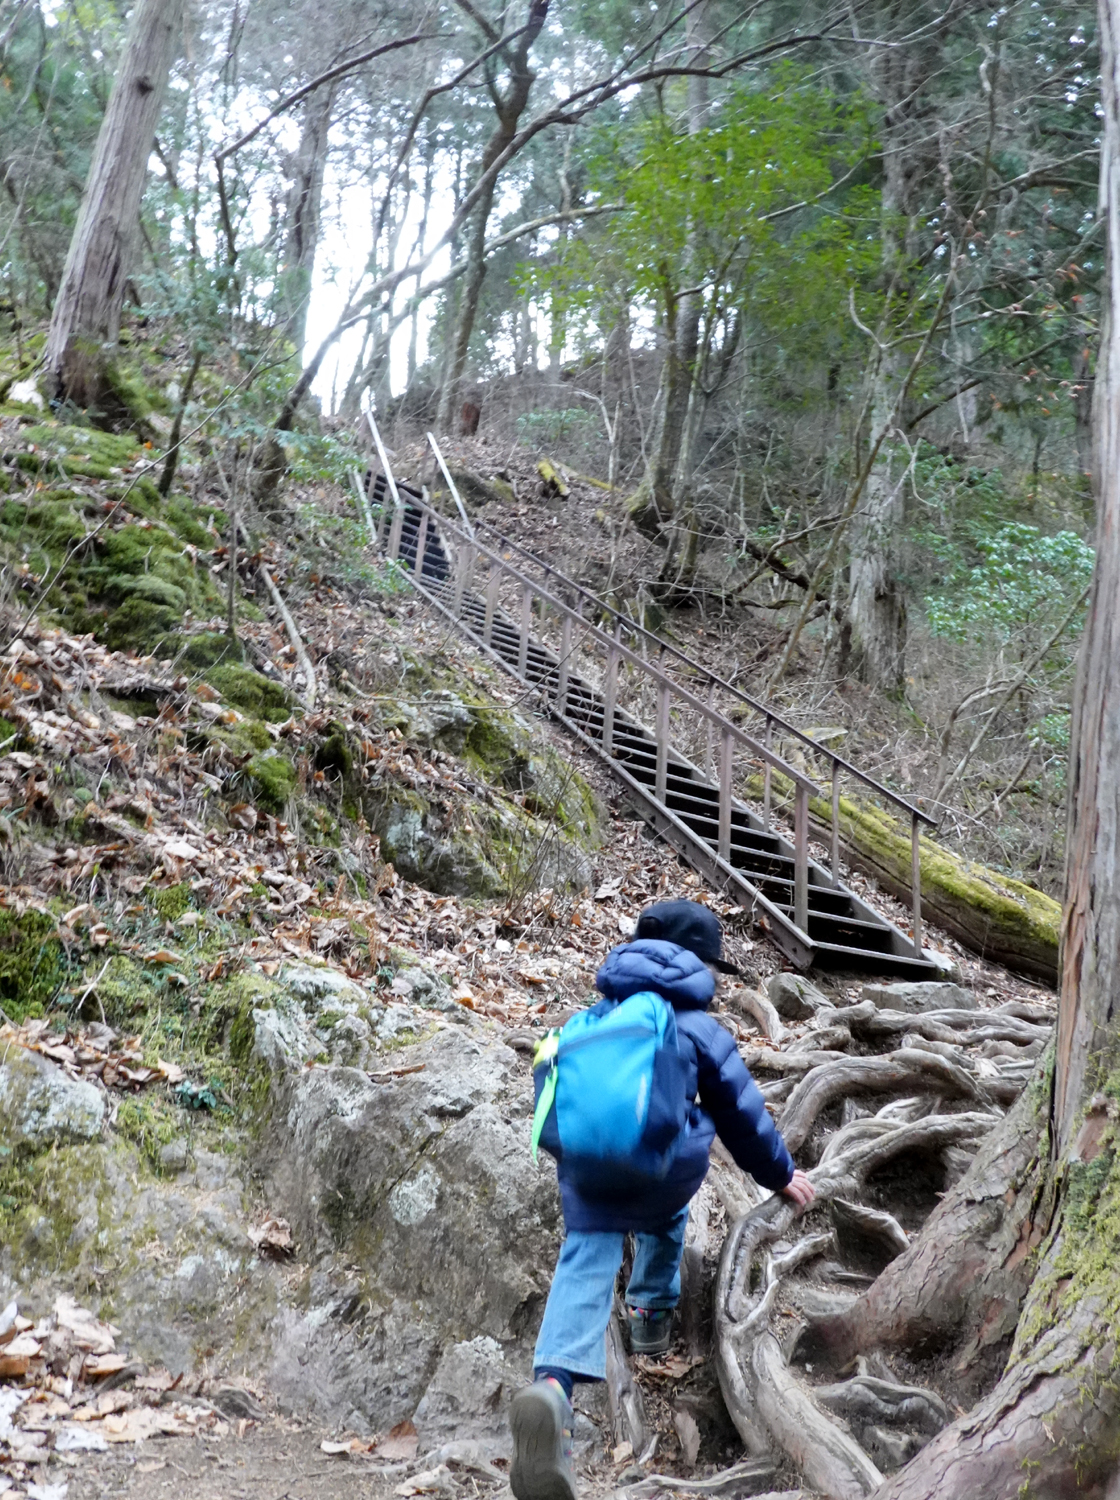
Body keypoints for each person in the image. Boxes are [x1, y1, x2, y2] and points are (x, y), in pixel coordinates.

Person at [509, 899, 815, 1500]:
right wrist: (780, 1173)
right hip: (661, 1176)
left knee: (586, 1259)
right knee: (670, 1210)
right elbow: (741, 1113)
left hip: (588, 1174)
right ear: (698, 963)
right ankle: (650, 1314)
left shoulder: (600, 1014)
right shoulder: (696, 1024)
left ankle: (551, 1388)